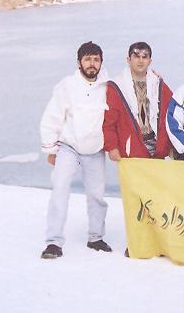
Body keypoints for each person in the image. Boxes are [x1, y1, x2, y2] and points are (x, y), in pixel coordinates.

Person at [39, 41, 112, 259]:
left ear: (101, 62)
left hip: (95, 149)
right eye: (87, 59)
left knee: (97, 195)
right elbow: (52, 117)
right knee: (60, 189)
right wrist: (51, 149)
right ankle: (53, 242)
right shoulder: (67, 86)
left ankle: (96, 237)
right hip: (68, 147)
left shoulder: (109, 87)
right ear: (79, 62)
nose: (92, 64)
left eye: (96, 59)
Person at [103, 42, 174, 160]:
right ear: (128, 59)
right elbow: (109, 121)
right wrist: (112, 147)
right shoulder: (116, 86)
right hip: (132, 148)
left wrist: (171, 145)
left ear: (150, 61)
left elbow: (173, 114)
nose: (140, 60)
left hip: (157, 149)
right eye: (136, 56)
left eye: (144, 57)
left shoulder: (158, 84)